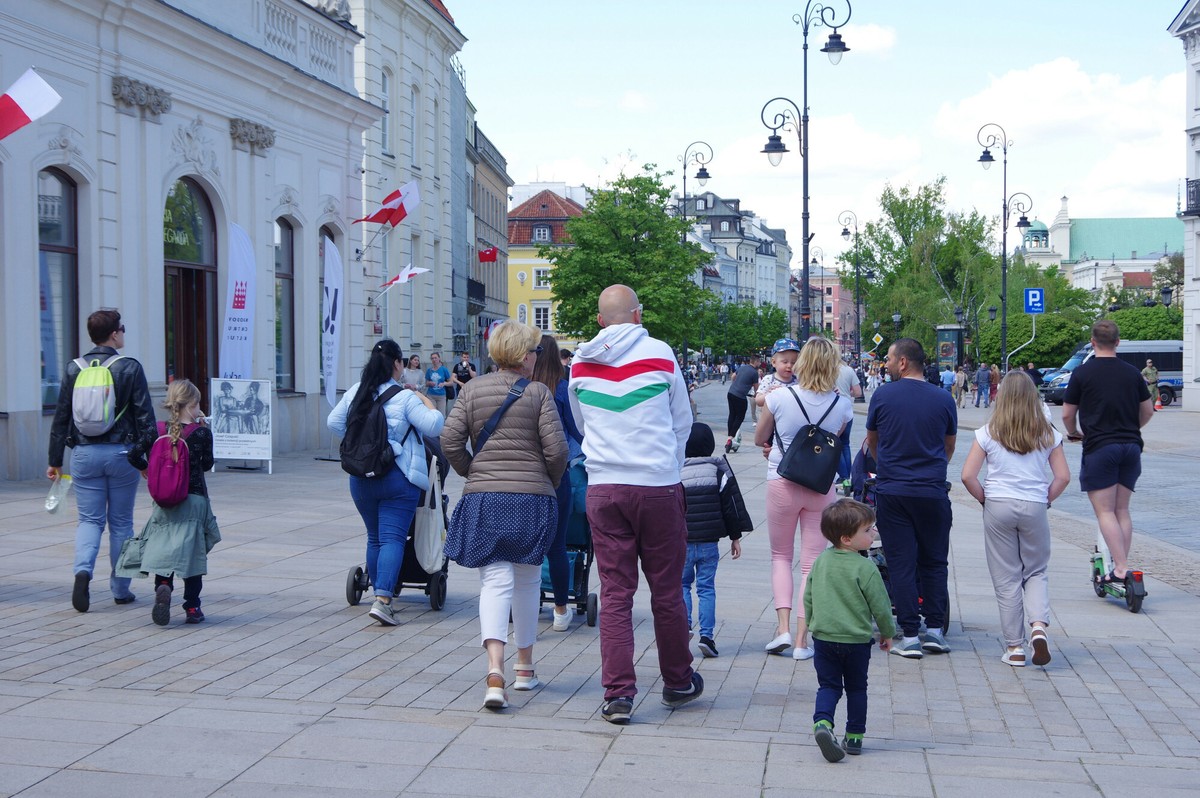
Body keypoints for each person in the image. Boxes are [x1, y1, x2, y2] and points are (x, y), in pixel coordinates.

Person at [568, 284, 703, 725]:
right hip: (657, 486)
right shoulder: (661, 353)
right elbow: (682, 420)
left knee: (615, 594)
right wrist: (664, 462)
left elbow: (582, 423)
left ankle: (619, 695)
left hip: (605, 486)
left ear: (601, 320)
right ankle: (678, 681)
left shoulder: (580, 363)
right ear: (638, 315)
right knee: (666, 591)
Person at [442, 322, 567, 710]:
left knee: (494, 581)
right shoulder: (538, 394)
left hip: (486, 498)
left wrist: (471, 470)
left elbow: (449, 440)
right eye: (533, 351)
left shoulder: (471, 390)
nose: (535, 358)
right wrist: (547, 480)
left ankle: (494, 672)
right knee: (528, 580)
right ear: (523, 355)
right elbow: (558, 451)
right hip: (531, 499)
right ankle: (525, 667)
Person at [327, 339, 445, 627]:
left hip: (361, 477)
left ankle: (379, 591)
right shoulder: (404, 397)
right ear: (396, 364)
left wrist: (363, 443)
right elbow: (434, 425)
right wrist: (425, 400)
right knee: (393, 537)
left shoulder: (357, 391)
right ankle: (383, 601)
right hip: (397, 477)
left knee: (375, 537)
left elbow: (333, 422)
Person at [47, 309, 157, 613]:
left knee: (89, 521)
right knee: (121, 522)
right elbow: (146, 419)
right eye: (122, 328)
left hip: (83, 454)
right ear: (114, 334)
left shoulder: (74, 368)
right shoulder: (130, 367)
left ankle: (82, 572)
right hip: (122, 455)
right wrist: (144, 459)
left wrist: (55, 461)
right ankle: (121, 590)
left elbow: (61, 418)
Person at [754, 336, 853, 661]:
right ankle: (801, 641)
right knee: (811, 563)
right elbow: (834, 440)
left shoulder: (779, 397)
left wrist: (775, 443)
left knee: (780, 556)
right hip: (821, 488)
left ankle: (781, 628)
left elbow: (759, 437)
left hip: (781, 480)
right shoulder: (842, 404)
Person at [960, 373, 1069, 667]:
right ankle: (1038, 628)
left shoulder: (988, 432)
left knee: (1006, 578)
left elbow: (968, 476)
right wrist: (1045, 499)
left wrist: (985, 499)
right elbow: (1063, 477)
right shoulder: (1047, 433)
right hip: (1034, 504)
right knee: (1035, 571)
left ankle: (1015, 647)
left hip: (998, 504)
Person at [865, 338, 957, 659]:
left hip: (893, 491)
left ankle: (909, 635)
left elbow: (872, 442)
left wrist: (888, 467)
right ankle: (934, 631)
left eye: (889, 359)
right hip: (932, 491)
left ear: (903, 362)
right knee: (934, 561)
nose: (886, 365)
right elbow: (949, 445)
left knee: (901, 563)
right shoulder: (944, 398)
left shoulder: (883, 395)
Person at [1062, 320, 1154, 585]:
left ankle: (1121, 568)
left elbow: (1068, 413)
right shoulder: (1132, 373)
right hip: (1131, 446)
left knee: (1105, 512)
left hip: (1100, 446)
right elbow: (1147, 411)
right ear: (1118, 342)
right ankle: (1121, 564)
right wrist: (1130, 427)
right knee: (1122, 509)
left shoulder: (1082, 373)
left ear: (1092, 342)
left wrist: (1074, 432)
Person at [122, 379, 221, 625]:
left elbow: (133, 454)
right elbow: (207, 465)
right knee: (193, 555)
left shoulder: (156, 429)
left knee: (165, 551)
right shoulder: (201, 433)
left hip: (164, 501)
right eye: (198, 404)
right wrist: (202, 429)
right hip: (194, 500)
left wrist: (146, 469)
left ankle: (164, 586)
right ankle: (192, 608)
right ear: (192, 405)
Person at [805, 499, 896, 762]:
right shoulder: (865, 567)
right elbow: (880, 604)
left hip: (823, 638)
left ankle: (822, 724)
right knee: (857, 688)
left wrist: (812, 622)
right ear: (846, 539)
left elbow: (809, 596)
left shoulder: (821, 561)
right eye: (867, 531)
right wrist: (887, 632)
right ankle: (854, 737)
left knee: (828, 686)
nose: (874, 533)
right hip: (856, 641)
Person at [680, 422, 750, 658]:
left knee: (682, 586)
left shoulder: (676, 471)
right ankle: (707, 636)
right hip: (710, 542)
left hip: (683, 543)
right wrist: (735, 537)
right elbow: (729, 508)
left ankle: (684, 628)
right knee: (706, 588)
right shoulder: (717, 472)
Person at [531, 334, 584, 632]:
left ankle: (525, 600)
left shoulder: (525, 389)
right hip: (558, 472)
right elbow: (576, 431)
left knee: (527, 544)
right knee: (557, 544)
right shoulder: (562, 388)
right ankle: (561, 609)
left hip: (527, 473)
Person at [834, 354, 864, 485]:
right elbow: (858, 393)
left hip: (833, 409)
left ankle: (843, 476)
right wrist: (847, 393)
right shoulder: (849, 370)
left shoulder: (829, 369)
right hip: (848, 409)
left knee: (835, 443)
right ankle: (848, 477)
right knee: (845, 443)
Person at [725, 356, 760, 453]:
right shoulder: (754, 373)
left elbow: (733, 376)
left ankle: (729, 436)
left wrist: (736, 385)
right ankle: (730, 438)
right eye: (759, 362)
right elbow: (757, 388)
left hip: (731, 392)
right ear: (756, 362)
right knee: (740, 417)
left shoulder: (742, 367)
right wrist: (757, 395)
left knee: (732, 414)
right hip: (740, 396)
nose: (760, 364)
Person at [424, 351, 451, 417]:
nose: (434, 360)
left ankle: (441, 427)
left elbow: (451, 383)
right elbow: (426, 383)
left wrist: (444, 384)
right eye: (432, 358)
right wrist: (429, 383)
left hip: (441, 396)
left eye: (435, 358)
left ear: (439, 358)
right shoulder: (429, 370)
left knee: (441, 415)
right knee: (432, 414)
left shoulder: (444, 369)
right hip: (431, 395)